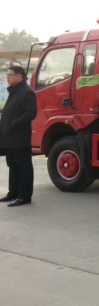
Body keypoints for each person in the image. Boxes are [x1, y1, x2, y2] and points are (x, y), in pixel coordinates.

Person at [0, 66, 37, 207]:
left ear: (19, 76)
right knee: (13, 165)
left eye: (10, 74)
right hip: (9, 137)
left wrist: (14, 124)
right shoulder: (14, 91)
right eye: (7, 74)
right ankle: (13, 193)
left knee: (23, 166)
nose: (7, 77)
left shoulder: (27, 92)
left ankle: (24, 196)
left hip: (19, 137)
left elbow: (31, 113)